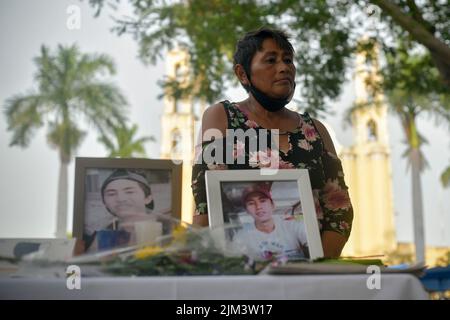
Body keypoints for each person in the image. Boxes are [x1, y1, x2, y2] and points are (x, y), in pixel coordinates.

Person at [191, 27, 354, 258]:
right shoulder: (222, 117)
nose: (284, 67)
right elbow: (206, 201)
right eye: (271, 60)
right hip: (242, 274)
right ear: (242, 73)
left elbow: (340, 209)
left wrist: (317, 266)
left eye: (288, 60)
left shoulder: (316, 131)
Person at [83, 169, 165, 252]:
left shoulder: (168, 230)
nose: (121, 199)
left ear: (148, 198)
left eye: (129, 192)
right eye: (111, 194)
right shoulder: (100, 237)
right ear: (105, 203)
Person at [231, 183, 309, 260]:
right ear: (247, 211)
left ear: (273, 205)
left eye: (262, 201)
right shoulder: (241, 237)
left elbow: (312, 244)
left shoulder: (292, 225)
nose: (258, 207)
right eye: (251, 203)